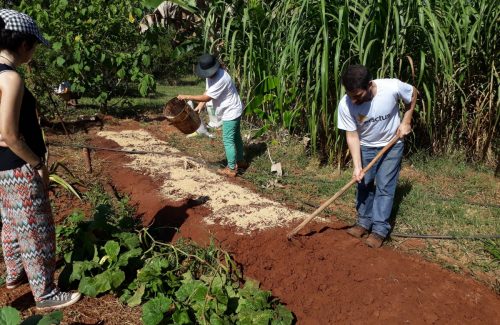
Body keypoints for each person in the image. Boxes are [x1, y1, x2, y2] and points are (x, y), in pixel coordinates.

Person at [0, 9, 81, 309]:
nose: (33, 51)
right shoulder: (11, 79)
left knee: (10, 224)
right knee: (35, 229)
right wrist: (37, 163)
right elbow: (9, 134)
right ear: (23, 44)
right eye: (33, 45)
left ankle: (14, 275)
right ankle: (45, 294)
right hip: (18, 166)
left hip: (1, 168)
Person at [337, 64, 417, 248]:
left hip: (392, 145)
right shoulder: (346, 104)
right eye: (350, 95)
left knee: (385, 186)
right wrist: (357, 166)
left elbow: (413, 93)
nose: (353, 100)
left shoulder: (391, 87)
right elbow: (352, 135)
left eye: (358, 96)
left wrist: (406, 120)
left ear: (370, 85)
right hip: (366, 146)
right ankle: (364, 222)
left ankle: (379, 229)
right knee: (363, 183)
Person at [178, 53, 247, 177]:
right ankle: (240, 161)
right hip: (233, 109)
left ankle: (231, 168)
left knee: (228, 140)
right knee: (236, 136)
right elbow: (207, 92)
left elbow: (207, 97)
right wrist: (199, 106)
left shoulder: (222, 78)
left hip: (231, 111)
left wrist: (187, 96)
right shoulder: (210, 75)